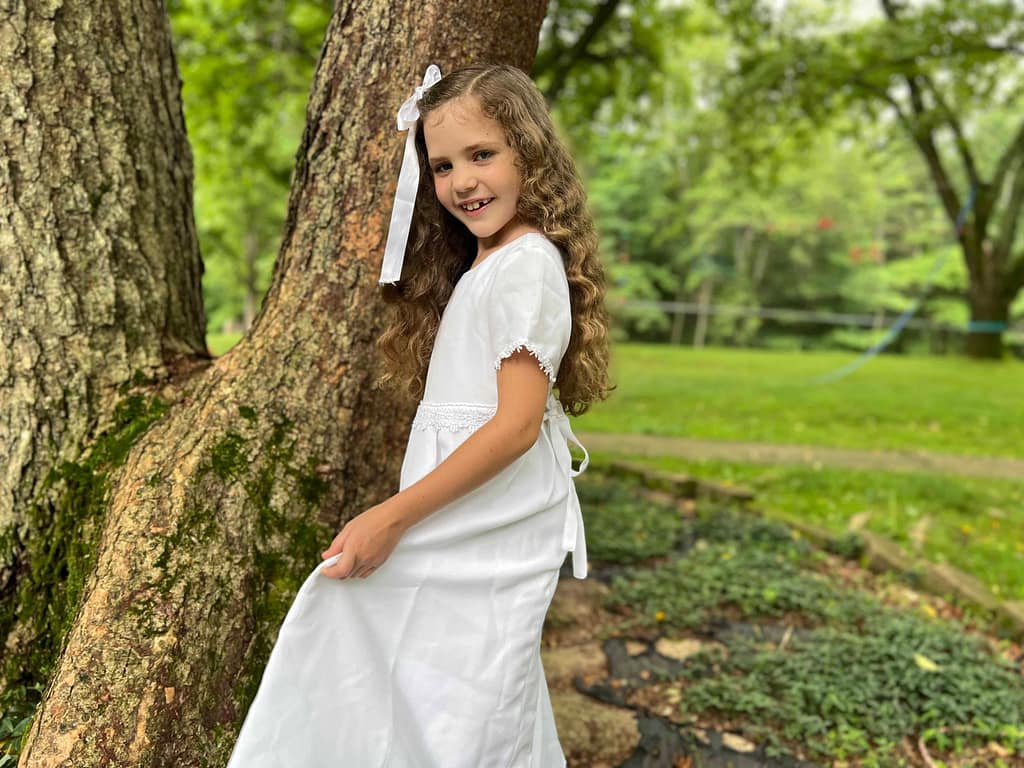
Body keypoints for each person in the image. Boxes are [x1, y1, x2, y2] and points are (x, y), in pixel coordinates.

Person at [226, 62, 612, 768]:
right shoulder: (487, 263)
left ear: (529, 152)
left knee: (460, 694)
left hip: (492, 518)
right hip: (462, 507)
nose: (463, 180)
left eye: (482, 154)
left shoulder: (527, 265)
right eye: (442, 165)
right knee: (459, 686)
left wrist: (392, 516)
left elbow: (515, 426)